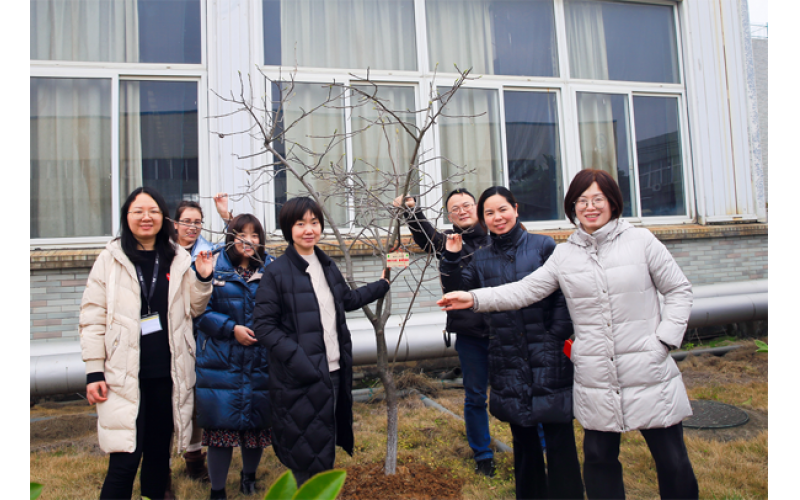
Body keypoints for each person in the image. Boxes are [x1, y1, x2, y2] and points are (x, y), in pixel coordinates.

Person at [438, 169, 699, 500]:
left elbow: (678, 289)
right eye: (581, 201)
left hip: (647, 367)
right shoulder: (565, 253)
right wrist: (474, 298)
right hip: (596, 375)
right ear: (572, 207)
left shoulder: (642, 241)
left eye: (597, 199)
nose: (590, 207)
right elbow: (523, 290)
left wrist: (664, 340)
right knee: (599, 460)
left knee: (672, 461)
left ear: (613, 202)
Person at [439, 186, 584, 500]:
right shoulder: (480, 259)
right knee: (524, 438)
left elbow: (564, 294)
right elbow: (458, 293)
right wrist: (450, 258)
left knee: (559, 437)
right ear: (483, 219)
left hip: (547, 353)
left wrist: (556, 335)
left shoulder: (543, 246)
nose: (497, 217)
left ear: (515, 209)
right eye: (489, 213)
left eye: (502, 210)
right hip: (507, 354)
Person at [79, 186, 213, 500]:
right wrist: (94, 372)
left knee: (157, 460)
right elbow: (92, 316)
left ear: (163, 217)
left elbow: (193, 309)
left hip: (167, 375)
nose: (146, 217)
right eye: (137, 211)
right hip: (122, 376)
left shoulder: (177, 257)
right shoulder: (110, 258)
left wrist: (204, 279)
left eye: (152, 211)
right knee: (124, 461)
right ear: (126, 217)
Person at [253, 196, 390, 486]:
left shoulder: (326, 265)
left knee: (324, 441)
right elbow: (264, 327)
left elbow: (347, 300)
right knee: (305, 450)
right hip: (300, 376)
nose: (308, 229)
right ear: (288, 228)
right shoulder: (276, 273)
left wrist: (383, 284)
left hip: (335, 371)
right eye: (300, 223)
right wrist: (299, 360)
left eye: (314, 222)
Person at [392, 189, 496, 476]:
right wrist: (411, 212)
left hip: (505, 332)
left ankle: (536, 443)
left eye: (466, 205)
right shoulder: (450, 242)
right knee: (475, 396)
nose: (461, 211)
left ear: (478, 208)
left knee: (518, 390)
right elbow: (427, 238)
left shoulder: (496, 237)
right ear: (450, 215)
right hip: (471, 334)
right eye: (454, 209)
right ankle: (483, 455)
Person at [194, 214, 275, 500]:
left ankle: (248, 479)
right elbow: (198, 311)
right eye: (242, 234)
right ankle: (218, 490)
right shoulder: (213, 266)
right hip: (221, 360)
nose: (249, 241)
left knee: (256, 426)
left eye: (255, 235)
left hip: (259, 359)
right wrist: (232, 329)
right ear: (232, 237)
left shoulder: (271, 268)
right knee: (220, 429)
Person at [171, 194, 238, 480]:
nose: (192, 227)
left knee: (198, 397)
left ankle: (194, 461)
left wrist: (227, 217)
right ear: (175, 224)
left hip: (201, 336)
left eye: (197, 222)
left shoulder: (208, 251)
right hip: (171, 335)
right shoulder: (164, 253)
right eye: (187, 221)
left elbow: (239, 247)